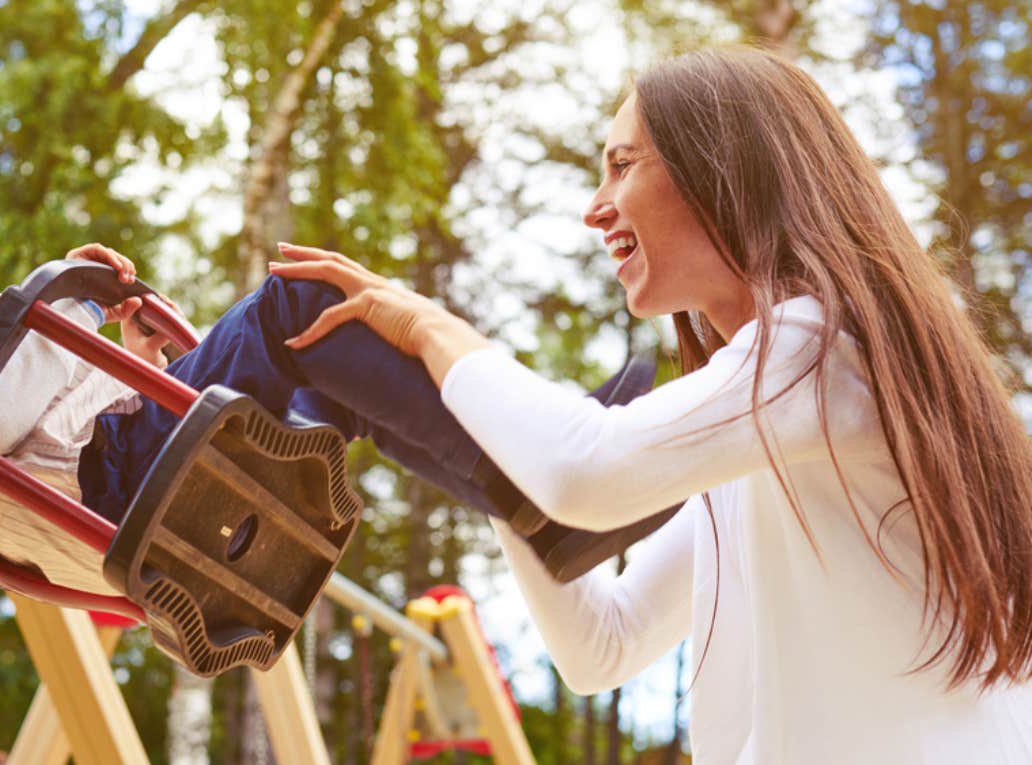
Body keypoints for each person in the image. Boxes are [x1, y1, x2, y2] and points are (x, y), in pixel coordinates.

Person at [269, 46, 1032, 763]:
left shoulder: (824, 346)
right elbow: (604, 642)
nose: (596, 207)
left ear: (723, 171)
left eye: (622, 165)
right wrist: (484, 455)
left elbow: (585, 472)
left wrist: (431, 326)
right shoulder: (769, 434)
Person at [0, 155, 652, 598]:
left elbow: (48, 416)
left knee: (338, 371)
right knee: (299, 304)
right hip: (119, 484)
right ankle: (547, 459)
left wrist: (141, 356)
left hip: (123, 481)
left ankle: (536, 502)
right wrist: (69, 310)